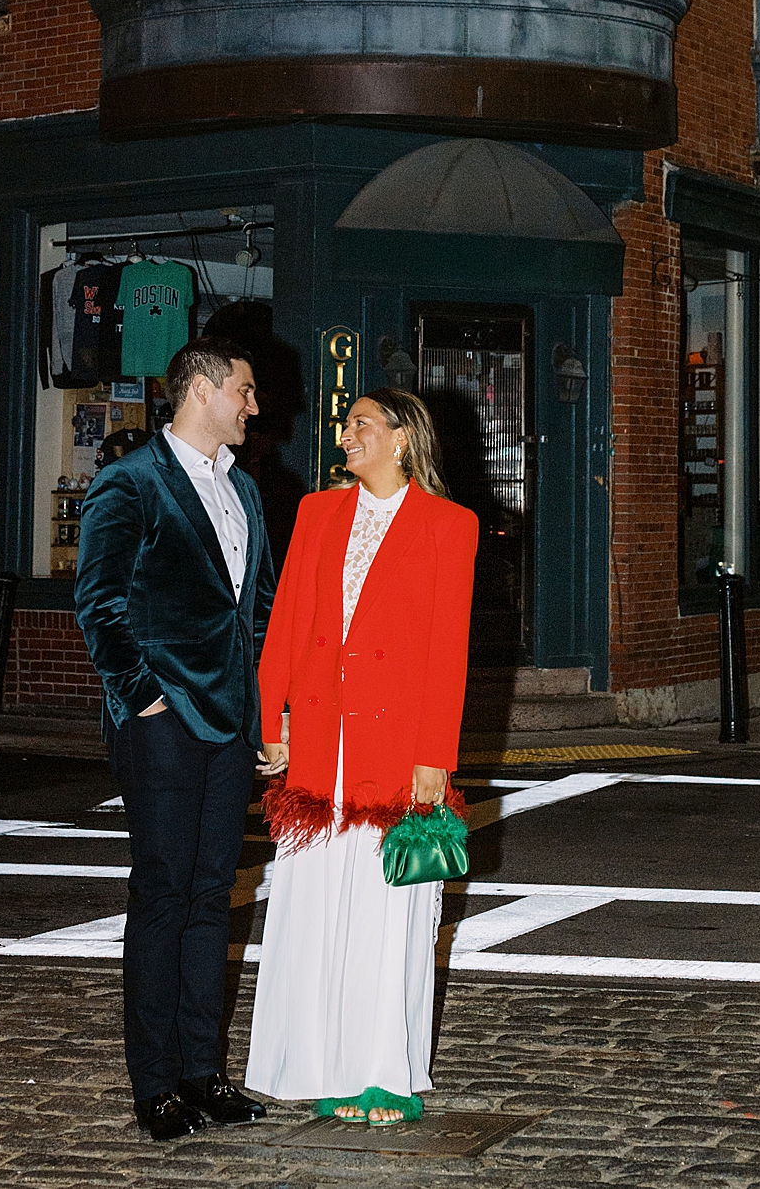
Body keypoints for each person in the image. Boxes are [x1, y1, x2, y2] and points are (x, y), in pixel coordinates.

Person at [246, 388, 478, 1123]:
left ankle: (384, 1072)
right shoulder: (318, 512)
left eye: (362, 425)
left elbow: (449, 653)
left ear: (403, 439)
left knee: (387, 909)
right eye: (346, 425)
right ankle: (314, 1061)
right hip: (319, 739)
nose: (346, 434)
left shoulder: (450, 526)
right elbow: (285, 621)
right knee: (314, 900)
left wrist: (433, 756)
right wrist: (271, 716)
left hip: (395, 744)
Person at [74, 338, 277, 1143]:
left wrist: (272, 714)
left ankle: (204, 1074)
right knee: (162, 897)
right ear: (200, 389)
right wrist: (143, 699)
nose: (256, 406)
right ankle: (154, 1086)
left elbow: (256, 613)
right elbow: (98, 604)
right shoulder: (130, 482)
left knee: (210, 897)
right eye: (246, 390)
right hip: (161, 724)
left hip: (231, 724)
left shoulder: (247, 492)